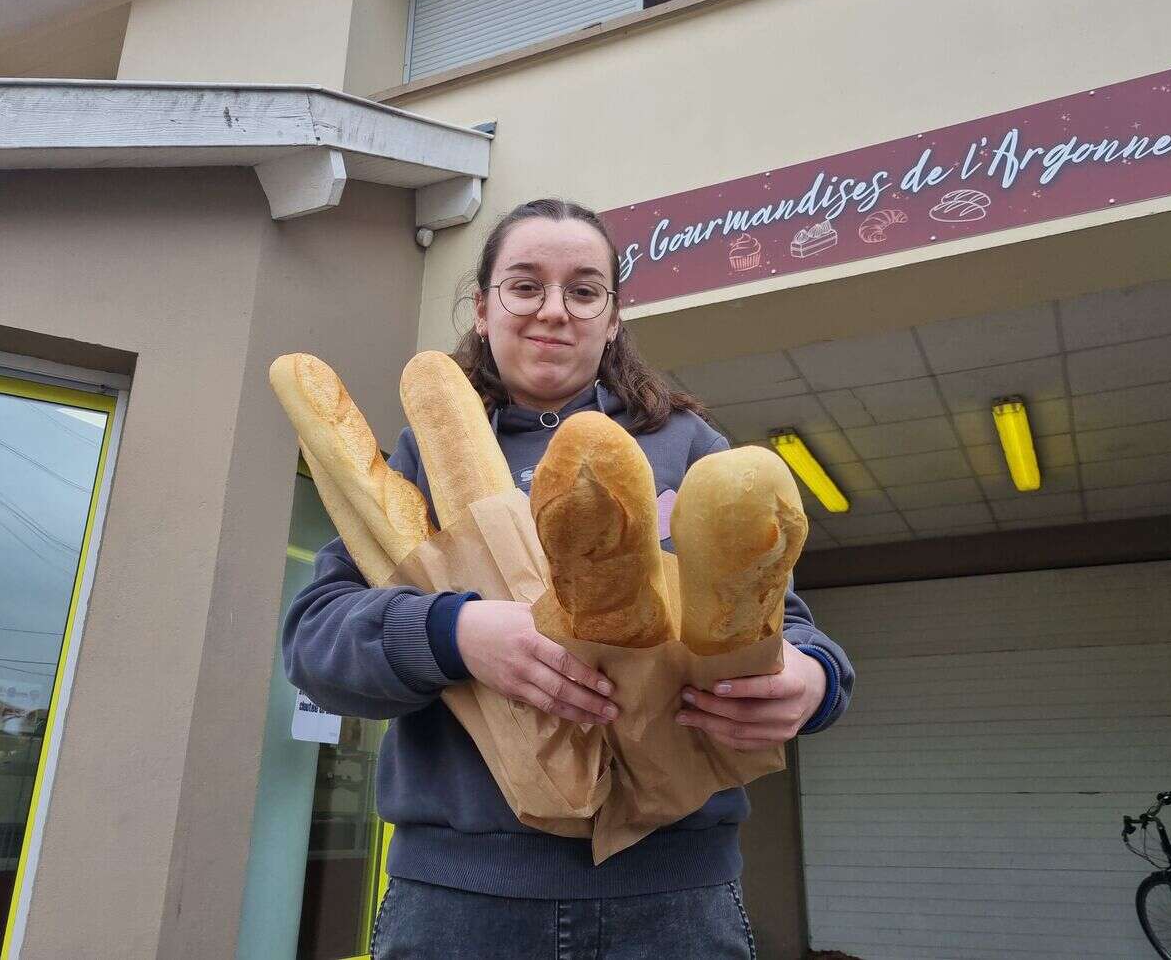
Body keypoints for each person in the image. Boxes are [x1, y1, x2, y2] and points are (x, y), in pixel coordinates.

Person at [283, 198, 853, 960]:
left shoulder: (687, 447)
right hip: (459, 905)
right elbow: (315, 647)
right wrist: (457, 635)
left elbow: (794, 627)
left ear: (612, 319)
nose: (554, 311)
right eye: (525, 287)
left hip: (674, 904)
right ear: (483, 310)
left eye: (584, 291)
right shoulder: (421, 459)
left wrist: (813, 681)